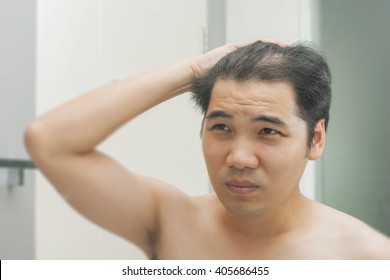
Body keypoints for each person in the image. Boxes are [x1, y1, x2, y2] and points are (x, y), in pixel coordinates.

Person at [24, 40, 390, 259]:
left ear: (316, 139)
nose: (239, 158)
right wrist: (193, 70)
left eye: (267, 131)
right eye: (221, 128)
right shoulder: (170, 223)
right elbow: (49, 140)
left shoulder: (367, 258)